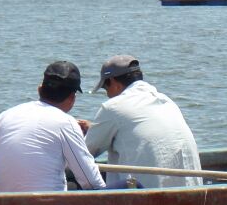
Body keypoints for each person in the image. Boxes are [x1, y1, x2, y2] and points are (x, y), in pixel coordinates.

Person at [0, 61, 106, 193]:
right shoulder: (67, 124)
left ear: (39, 89)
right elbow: (92, 183)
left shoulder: (8, 115)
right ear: (72, 98)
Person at [82, 55, 202, 188]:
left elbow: (82, 153)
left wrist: (76, 133)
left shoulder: (113, 107)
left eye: (105, 87)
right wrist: (94, 128)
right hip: (193, 194)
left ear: (113, 82)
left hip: (148, 199)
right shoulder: (166, 101)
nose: (108, 94)